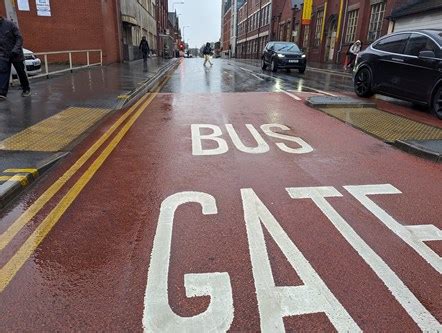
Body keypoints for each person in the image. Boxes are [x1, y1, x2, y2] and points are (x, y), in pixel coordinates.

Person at [0, 16, 30, 100]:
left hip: (16, 54)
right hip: (4, 54)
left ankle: (26, 89)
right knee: (3, 72)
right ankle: (2, 93)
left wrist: (15, 50)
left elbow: (19, 38)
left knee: (20, 72)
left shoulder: (10, 24)